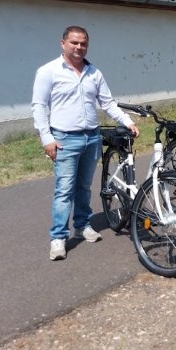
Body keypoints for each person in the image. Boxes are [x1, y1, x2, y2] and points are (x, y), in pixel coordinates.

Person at [32, 26, 139, 261]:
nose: (79, 47)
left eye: (83, 44)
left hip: (91, 137)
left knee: (84, 187)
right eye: (74, 43)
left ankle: (82, 225)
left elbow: (108, 103)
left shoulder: (94, 73)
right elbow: (39, 106)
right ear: (63, 43)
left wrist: (128, 121)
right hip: (64, 139)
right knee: (64, 190)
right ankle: (59, 237)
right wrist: (47, 138)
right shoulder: (48, 71)